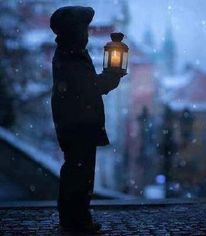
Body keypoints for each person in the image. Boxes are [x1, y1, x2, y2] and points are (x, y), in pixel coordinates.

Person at [50, 6, 126, 233]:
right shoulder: (71, 56)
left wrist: (107, 78)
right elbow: (88, 89)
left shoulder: (69, 52)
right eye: (84, 29)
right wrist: (111, 76)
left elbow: (86, 87)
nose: (88, 34)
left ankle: (75, 219)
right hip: (78, 124)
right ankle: (77, 221)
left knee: (77, 172)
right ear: (75, 32)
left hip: (76, 123)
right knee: (79, 174)